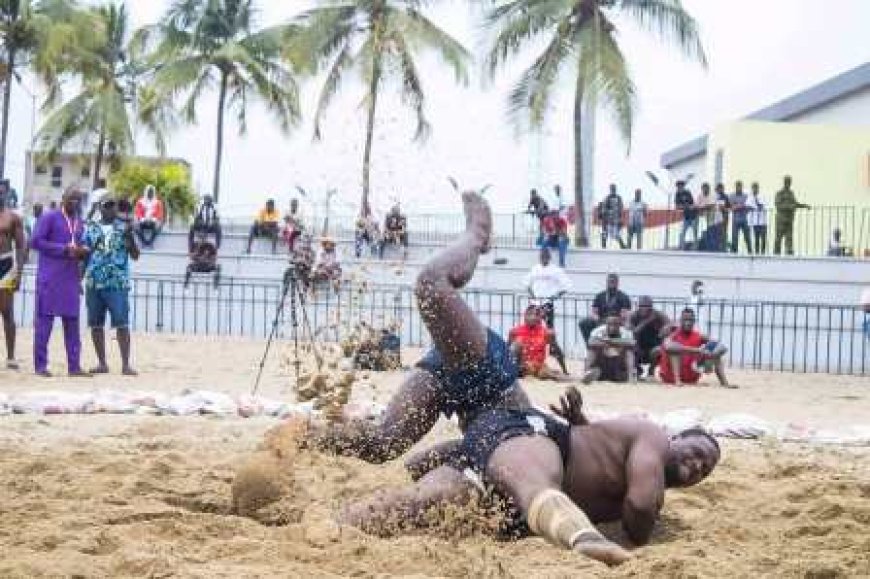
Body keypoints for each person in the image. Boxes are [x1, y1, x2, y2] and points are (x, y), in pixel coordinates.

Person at [337, 386, 720, 566]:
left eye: (707, 471)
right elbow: (638, 511)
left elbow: (604, 460)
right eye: (699, 453)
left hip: (512, 495)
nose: (700, 467)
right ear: (676, 437)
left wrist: (585, 427)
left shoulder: (640, 463)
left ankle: (327, 521)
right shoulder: (652, 438)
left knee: (422, 507)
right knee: (523, 478)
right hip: (529, 442)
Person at [300, 191, 532, 463]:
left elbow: (424, 462)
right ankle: (478, 234)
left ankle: (301, 438)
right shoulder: (534, 452)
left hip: (474, 409)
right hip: (489, 381)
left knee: (382, 443)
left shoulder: (488, 465)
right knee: (431, 285)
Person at [30, 189, 90, 377]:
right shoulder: (49, 217)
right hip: (50, 278)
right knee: (44, 324)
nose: (75, 203)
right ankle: (41, 367)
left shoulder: (79, 222)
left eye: (78, 200)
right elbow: (35, 241)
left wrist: (82, 251)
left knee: (72, 323)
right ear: (63, 199)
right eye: (72, 199)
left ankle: (74, 367)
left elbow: (77, 246)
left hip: (71, 279)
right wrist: (63, 249)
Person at [81, 196, 140, 375]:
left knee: (122, 323)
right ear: (100, 208)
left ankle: (125, 364)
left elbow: (135, 255)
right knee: (96, 324)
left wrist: (129, 236)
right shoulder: (91, 228)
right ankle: (102, 363)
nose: (111, 209)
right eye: (107, 206)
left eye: (113, 205)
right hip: (94, 281)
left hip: (117, 282)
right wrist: (79, 278)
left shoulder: (124, 229)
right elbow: (85, 255)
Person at [658, 308, 735, 388]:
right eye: (685, 320)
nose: (688, 323)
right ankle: (678, 381)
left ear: (694, 321)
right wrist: (697, 350)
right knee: (674, 350)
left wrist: (711, 355)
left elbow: (722, 347)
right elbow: (668, 347)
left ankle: (724, 383)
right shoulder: (672, 334)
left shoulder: (698, 335)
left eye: (690, 320)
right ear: (680, 321)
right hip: (670, 377)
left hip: (691, 376)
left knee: (716, 350)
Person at [523, 247, 570, 374]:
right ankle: (530, 363)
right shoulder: (535, 268)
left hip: (547, 306)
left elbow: (565, 287)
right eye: (541, 255)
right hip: (535, 306)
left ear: (549, 256)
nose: (543, 257)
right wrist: (534, 299)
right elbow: (527, 285)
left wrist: (550, 299)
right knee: (531, 334)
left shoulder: (556, 270)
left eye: (545, 255)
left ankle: (563, 368)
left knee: (550, 336)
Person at [0, 185, 26, 369]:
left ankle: (10, 357)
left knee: (7, 311)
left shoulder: (13, 217)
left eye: (1, 192)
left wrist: (19, 273)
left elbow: (21, 246)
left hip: (5, 264)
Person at [508, 305, 568, 380]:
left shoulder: (546, 332)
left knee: (546, 372)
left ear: (540, 317)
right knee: (516, 344)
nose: (533, 317)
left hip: (538, 366)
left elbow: (556, 351)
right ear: (525, 316)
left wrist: (565, 370)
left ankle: (555, 374)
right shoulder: (514, 331)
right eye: (530, 314)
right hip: (521, 366)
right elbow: (507, 351)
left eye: (536, 315)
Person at [583, 314, 636, 384]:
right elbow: (590, 342)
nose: (613, 326)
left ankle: (630, 375)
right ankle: (588, 372)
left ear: (620, 325)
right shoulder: (598, 331)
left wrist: (611, 342)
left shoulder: (626, 332)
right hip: (602, 360)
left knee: (629, 352)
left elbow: (632, 343)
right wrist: (604, 344)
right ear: (606, 324)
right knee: (591, 350)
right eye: (610, 324)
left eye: (615, 324)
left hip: (618, 362)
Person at [579, 273, 631, 343]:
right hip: (602, 321)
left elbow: (624, 314)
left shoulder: (623, 297)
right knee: (584, 322)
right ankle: (590, 345)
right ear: (606, 282)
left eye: (613, 281)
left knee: (626, 327)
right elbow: (594, 312)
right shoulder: (600, 296)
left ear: (617, 283)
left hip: (617, 322)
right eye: (609, 281)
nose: (611, 283)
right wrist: (596, 318)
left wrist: (615, 321)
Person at [628, 296, 671, 379]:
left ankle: (651, 371)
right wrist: (647, 321)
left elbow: (670, 324)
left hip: (654, 344)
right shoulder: (633, 316)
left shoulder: (658, 314)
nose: (644, 308)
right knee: (631, 348)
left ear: (651, 306)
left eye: (647, 306)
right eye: (641, 306)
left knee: (657, 350)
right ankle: (638, 371)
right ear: (638, 306)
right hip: (639, 344)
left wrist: (665, 329)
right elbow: (633, 332)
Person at [774, 176, 810, 256]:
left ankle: (789, 252)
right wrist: (789, 207)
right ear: (784, 182)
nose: (789, 183)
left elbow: (795, 203)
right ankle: (776, 254)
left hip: (789, 219)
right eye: (787, 182)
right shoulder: (779, 193)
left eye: (790, 182)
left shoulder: (791, 193)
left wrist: (804, 206)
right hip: (781, 220)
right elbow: (778, 205)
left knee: (789, 237)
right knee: (778, 238)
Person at [134, 184, 165, 248]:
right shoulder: (140, 201)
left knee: (159, 225)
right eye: (149, 192)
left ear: (153, 192)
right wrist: (142, 219)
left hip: (153, 221)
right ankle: (144, 242)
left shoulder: (158, 202)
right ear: (146, 192)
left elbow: (160, 213)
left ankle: (150, 243)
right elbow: (137, 212)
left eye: (151, 192)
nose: (150, 193)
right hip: (142, 221)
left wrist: (153, 219)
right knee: (135, 225)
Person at [729, 181, 752, 254]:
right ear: (735, 187)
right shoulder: (731, 196)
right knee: (734, 237)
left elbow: (748, 207)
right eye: (737, 186)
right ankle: (734, 252)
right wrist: (741, 206)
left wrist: (739, 206)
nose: (739, 188)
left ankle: (750, 251)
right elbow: (732, 207)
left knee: (747, 237)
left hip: (744, 219)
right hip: (735, 220)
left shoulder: (746, 196)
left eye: (740, 186)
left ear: (742, 187)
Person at [675, 181, 698, 249]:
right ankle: (681, 246)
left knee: (694, 232)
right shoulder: (677, 194)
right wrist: (684, 206)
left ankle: (695, 246)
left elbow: (692, 203)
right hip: (686, 216)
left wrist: (685, 206)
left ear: (683, 186)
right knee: (683, 232)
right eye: (678, 187)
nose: (679, 188)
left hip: (693, 215)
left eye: (680, 186)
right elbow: (677, 206)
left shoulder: (687, 192)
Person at [600, 184, 625, 249]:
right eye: (612, 188)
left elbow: (621, 208)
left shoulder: (619, 198)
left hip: (616, 219)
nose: (613, 190)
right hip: (608, 220)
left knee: (616, 234)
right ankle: (603, 246)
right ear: (610, 189)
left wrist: (620, 218)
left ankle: (623, 246)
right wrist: (608, 212)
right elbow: (604, 208)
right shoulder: (607, 198)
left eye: (614, 188)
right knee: (605, 233)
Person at [746, 183, 767, 254]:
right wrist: (753, 207)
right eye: (753, 188)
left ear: (758, 188)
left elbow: (762, 206)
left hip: (762, 221)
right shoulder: (750, 197)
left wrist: (756, 203)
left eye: (756, 188)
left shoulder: (762, 196)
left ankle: (763, 252)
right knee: (756, 238)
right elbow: (747, 207)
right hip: (755, 222)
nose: (754, 189)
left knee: (763, 238)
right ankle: (757, 252)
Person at [714, 183, 731, 252]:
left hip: (724, 216)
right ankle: (717, 247)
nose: (719, 190)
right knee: (716, 232)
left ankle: (724, 247)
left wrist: (724, 208)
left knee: (724, 232)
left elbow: (729, 207)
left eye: (720, 188)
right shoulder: (714, 197)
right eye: (718, 189)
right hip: (716, 216)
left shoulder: (725, 197)